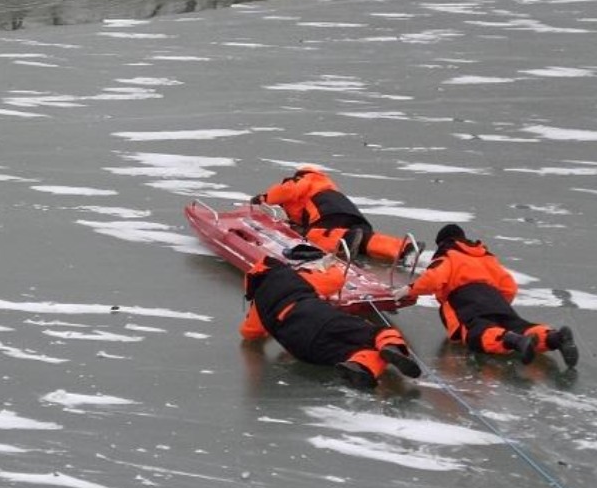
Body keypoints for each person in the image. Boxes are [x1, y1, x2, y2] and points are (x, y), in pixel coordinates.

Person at [403, 224, 579, 368]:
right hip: (496, 298)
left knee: (477, 332)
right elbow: (509, 286)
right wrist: (497, 304)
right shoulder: (485, 256)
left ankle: (512, 341)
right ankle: (554, 337)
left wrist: (409, 289)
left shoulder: (447, 255)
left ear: (442, 242)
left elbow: (433, 278)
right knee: (519, 325)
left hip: (465, 299)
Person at [240, 256, 421, 390]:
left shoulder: (259, 302)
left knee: (348, 353)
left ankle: (361, 368)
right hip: (317, 316)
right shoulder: (294, 276)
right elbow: (336, 280)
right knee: (374, 333)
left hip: (298, 344)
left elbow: (249, 332)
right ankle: (392, 346)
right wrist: (329, 265)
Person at [250, 165, 409, 263]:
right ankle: (402, 248)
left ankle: (347, 238)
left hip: (326, 211)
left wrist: (264, 198)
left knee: (314, 236)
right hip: (349, 211)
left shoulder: (301, 180)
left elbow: (288, 190)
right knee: (364, 239)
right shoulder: (324, 183)